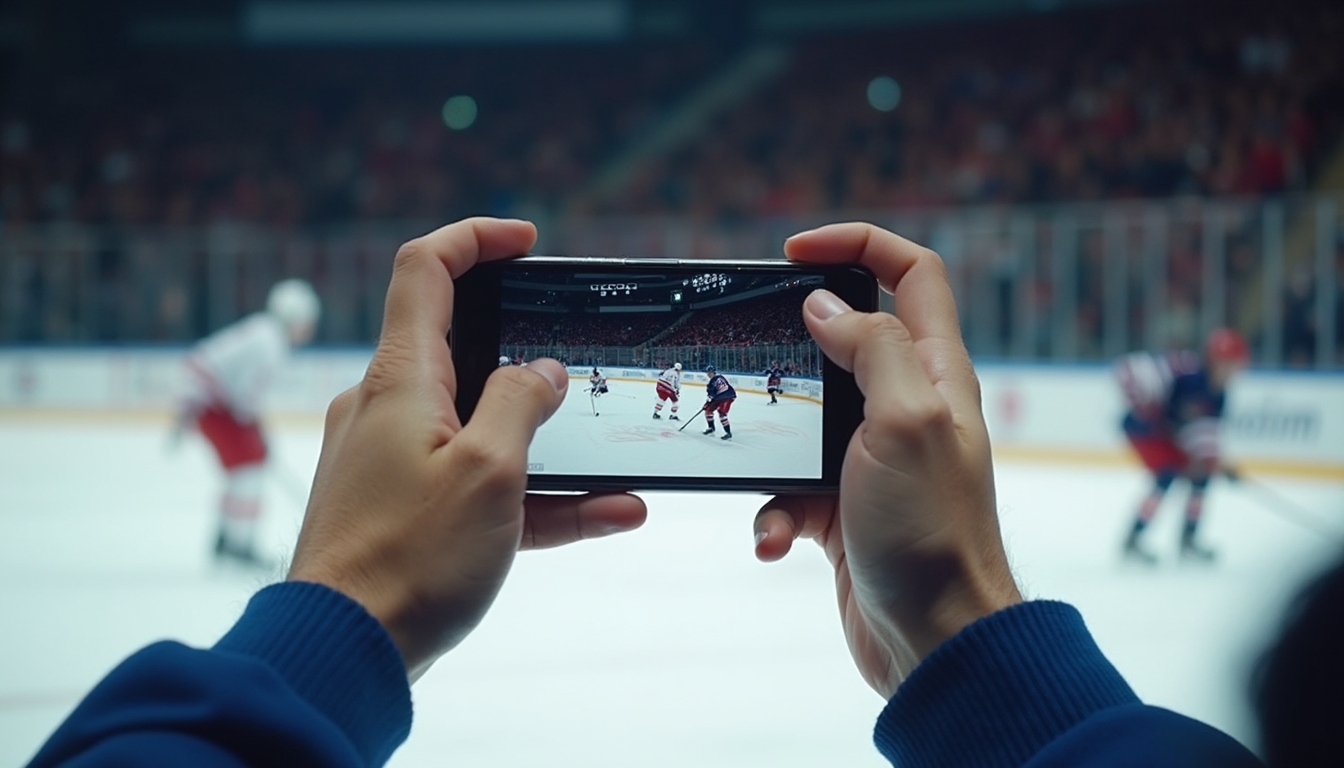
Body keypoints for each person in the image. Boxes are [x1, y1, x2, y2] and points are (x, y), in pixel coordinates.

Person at [28, 219, 1261, 767]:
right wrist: (968, 631)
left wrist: (347, 606)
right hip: (1031, 697)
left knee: (700, 412)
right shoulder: (1178, 377)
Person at [172, 278, 321, 566]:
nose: (310, 329)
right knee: (249, 471)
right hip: (213, 406)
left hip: (210, 404)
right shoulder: (271, 345)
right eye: (307, 321)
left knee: (243, 471)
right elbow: (244, 399)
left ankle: (228, 537)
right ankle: (238, 544)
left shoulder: (262, 331)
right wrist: (256, 436)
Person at [1115, 328, 1251, 564]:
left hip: (1167, 433)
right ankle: (1133, 539)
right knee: (1167, 474)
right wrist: (1213, 460)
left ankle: (1188, 539)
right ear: (1215, 361)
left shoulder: (1219, 395)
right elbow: (1188, 426)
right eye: (1230, 364)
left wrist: (1215, 461)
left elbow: (1205, 434)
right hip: (1146, 431)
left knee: (1201, 476)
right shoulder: (1192, 381)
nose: (1234, 371)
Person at [702, 364, 737, 440]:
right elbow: (714, 394)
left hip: (727, 397)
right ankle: (711, 428)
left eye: (710, 372)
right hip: (721, 397)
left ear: (714, 372)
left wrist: (707, 403)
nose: (709, 374)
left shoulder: (712, 382)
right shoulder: (720, 377)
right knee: (708, 411)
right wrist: (708, 404)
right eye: (708, 372)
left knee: (722, 413)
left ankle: (728, 433)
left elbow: (711, 395)